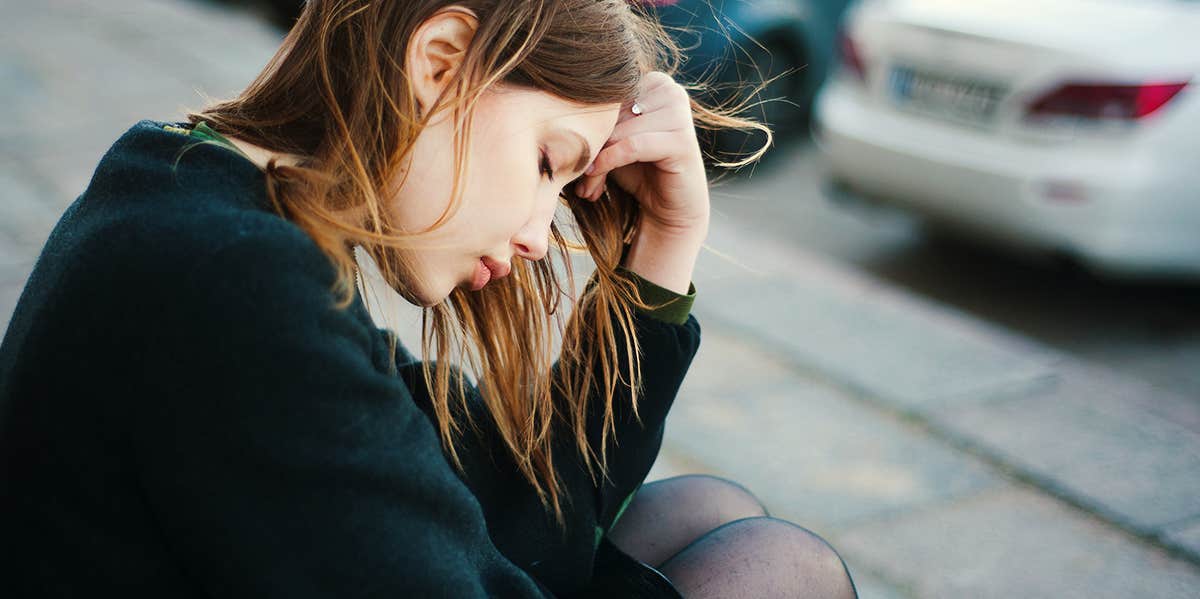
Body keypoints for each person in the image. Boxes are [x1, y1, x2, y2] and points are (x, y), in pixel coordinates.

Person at [0, 1, 858, 597]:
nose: (535, 232)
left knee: (714, 511)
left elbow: (491, 503)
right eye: (548, 162)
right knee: (776, 564)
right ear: (441, 60)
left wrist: (662, 249)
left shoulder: (185, 188)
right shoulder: (227, 279)